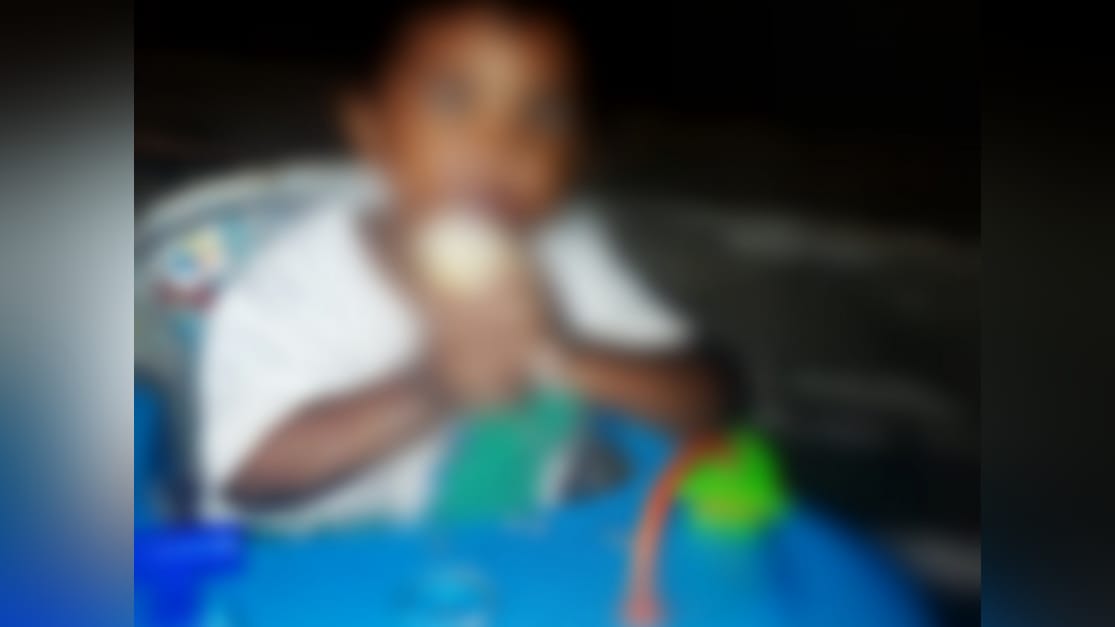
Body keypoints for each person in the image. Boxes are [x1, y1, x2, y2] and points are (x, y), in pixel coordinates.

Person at [200, 0, 733, 529]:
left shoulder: (565, 257)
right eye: (454, 99)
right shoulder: (299, 284)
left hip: (501, 554)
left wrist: (559, 351)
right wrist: (433, 386)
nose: (500, 145)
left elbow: (707, 402)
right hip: (300, 561)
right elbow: (245, 473)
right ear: (371, 126)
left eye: (545, 114)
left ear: (581, 153)